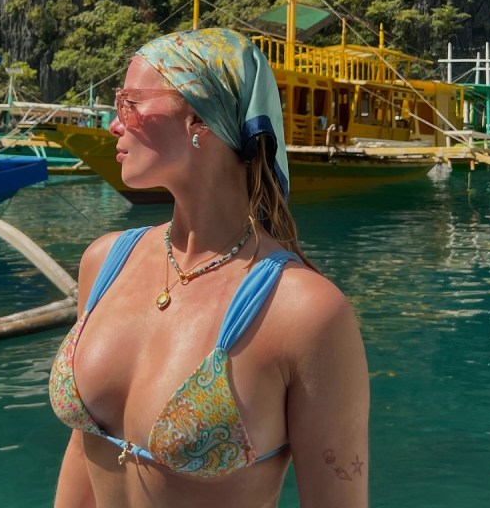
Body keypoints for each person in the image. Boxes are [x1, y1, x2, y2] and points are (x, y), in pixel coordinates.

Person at [49, 27, 369, 508]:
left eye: (130, 102)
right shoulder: (105, 262)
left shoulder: (303, 312)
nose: (114, 123)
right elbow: (83, 445)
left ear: (199, 117)